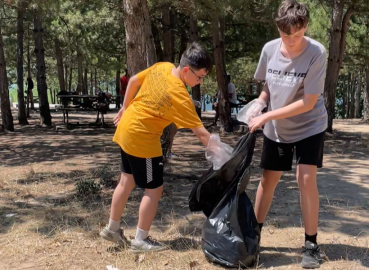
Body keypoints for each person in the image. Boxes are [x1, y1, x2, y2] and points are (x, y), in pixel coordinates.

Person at [100, 42, 232, 253]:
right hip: (143, 139)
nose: (199, 82)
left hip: (127, 129)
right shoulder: (179, 95)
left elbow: (133, 81)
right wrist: (224, 156)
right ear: (187, 70)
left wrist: (125, 107)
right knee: (154, 189)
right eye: (199, 78)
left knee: (126, 181)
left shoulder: (162, 66)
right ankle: (140, 240)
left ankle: (112, 229)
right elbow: (201, 134)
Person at [247, 1, 327, 268]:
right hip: (278, 128)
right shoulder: (269, 49)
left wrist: (267, 114)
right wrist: (260, 102)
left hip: (309, 125)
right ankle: (253, 237)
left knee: (305, 178)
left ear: (306, 27)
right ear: (277, 28)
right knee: (268, 179)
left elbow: (308, 101)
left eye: (298, 34)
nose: (292, 40)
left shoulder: (317, 52)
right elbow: (269, 86)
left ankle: (311, 244)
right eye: (286, 35)